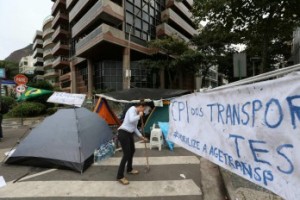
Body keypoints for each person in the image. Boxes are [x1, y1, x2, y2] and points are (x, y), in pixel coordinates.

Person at [116, 100, 147, 185]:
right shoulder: (132, 109)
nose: (143, 111)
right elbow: (130, 120)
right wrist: (139, 116)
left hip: (129, 133)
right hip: (123, 132)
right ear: (140, 106)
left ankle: (129, 169)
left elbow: (134, 127)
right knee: (126, 154)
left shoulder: (137, 113)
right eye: (143, 109)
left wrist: (141, 136)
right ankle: (120, 176)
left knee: (132, 150)